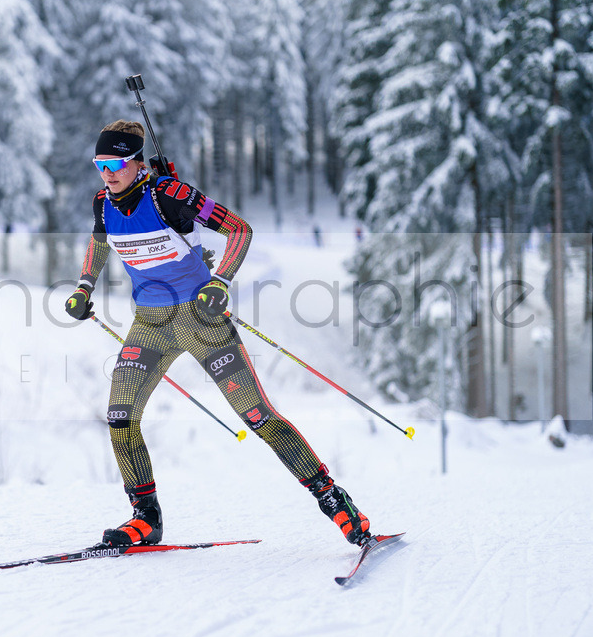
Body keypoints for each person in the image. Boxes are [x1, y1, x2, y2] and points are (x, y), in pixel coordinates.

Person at [65, 120, 374, 548]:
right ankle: (145, 518)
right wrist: (84, 285)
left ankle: (335, 501)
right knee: (120, 418)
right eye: (100, 164)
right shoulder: (102, 203)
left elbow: (239, 229)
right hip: (149, 324)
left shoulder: (171, 195)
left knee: (257, 416)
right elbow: (100, 243)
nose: (108, 173)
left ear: (138, 163)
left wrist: (221, 281)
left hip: (201, 321)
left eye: (117, 163)